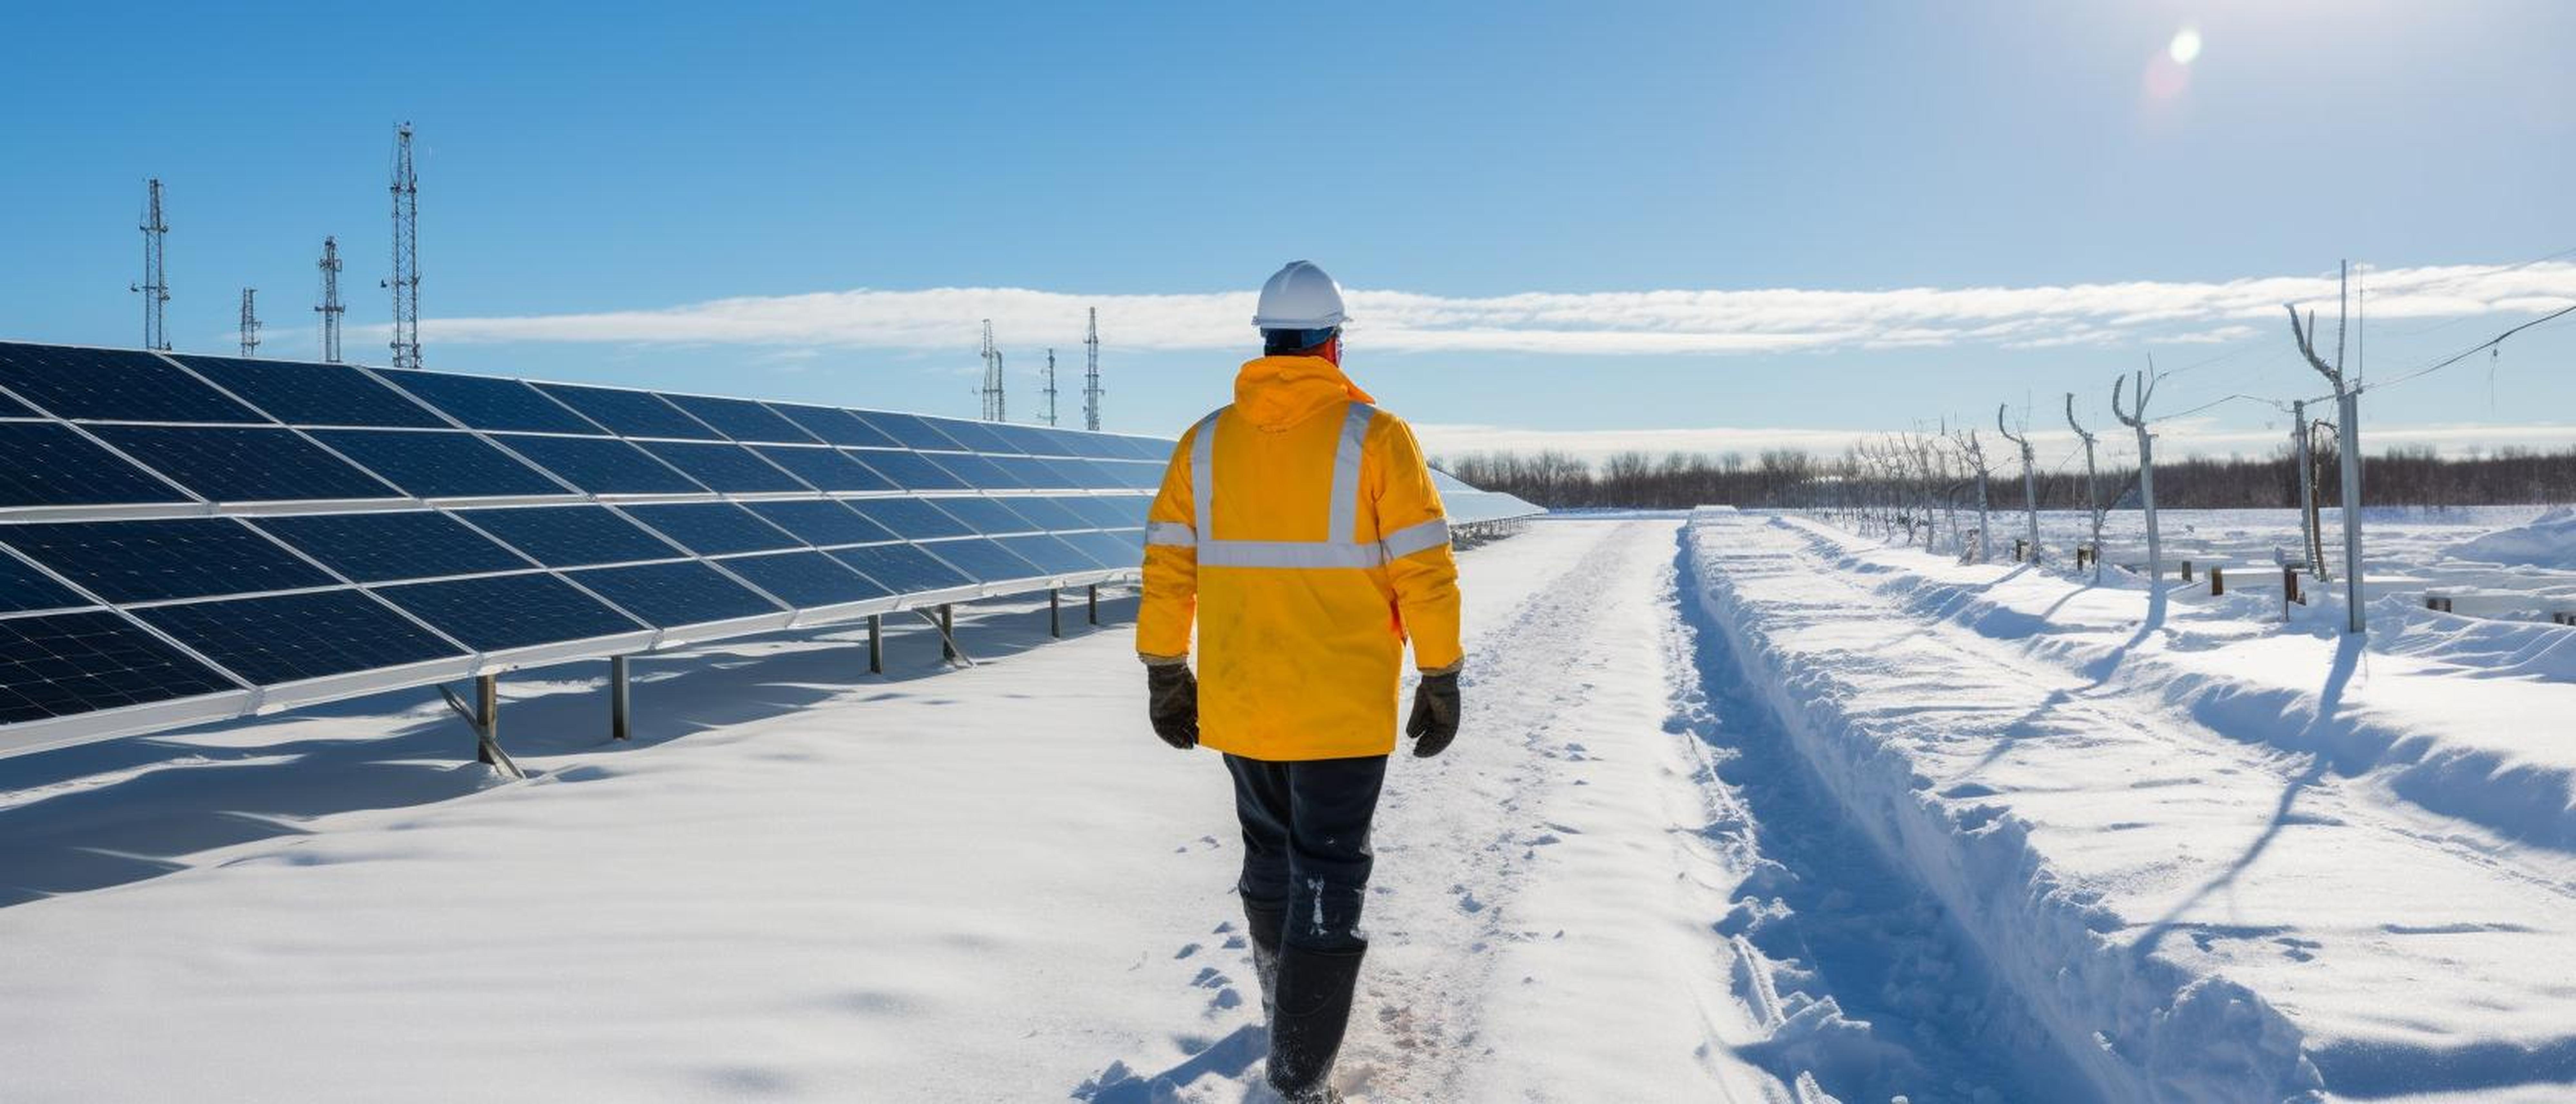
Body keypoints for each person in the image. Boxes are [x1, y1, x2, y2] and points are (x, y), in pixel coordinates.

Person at [1135, 260, 1464, 1102]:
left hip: (1245, 708)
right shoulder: (1375, 435)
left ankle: (1288, 1021)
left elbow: (1168, 568)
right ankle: (1298, 1077)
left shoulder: (1205, 441)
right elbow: (1425, 571)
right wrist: (1441, 672)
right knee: (1328, 878)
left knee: (1271, 865)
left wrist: (1167, 670)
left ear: (1265, 341)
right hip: (1342, 716)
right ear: (1334, 341)